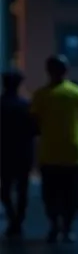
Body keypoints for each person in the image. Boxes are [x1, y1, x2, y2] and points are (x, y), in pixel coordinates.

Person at [29, 55, 78, 243]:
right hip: (73, 153)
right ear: (67, 71)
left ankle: (54, 226)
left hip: (49, 153)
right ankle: (67, 227)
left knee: (50, 194)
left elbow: (34, 122)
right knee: (70, 194)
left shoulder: (41, 95)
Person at [1, 70, 34, 239]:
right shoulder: (26, 105)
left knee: (5, 189)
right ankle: (18, 221)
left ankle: (13, 219)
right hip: (23, 153)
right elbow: (35, 129)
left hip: (4, 153)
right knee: (22, 190)